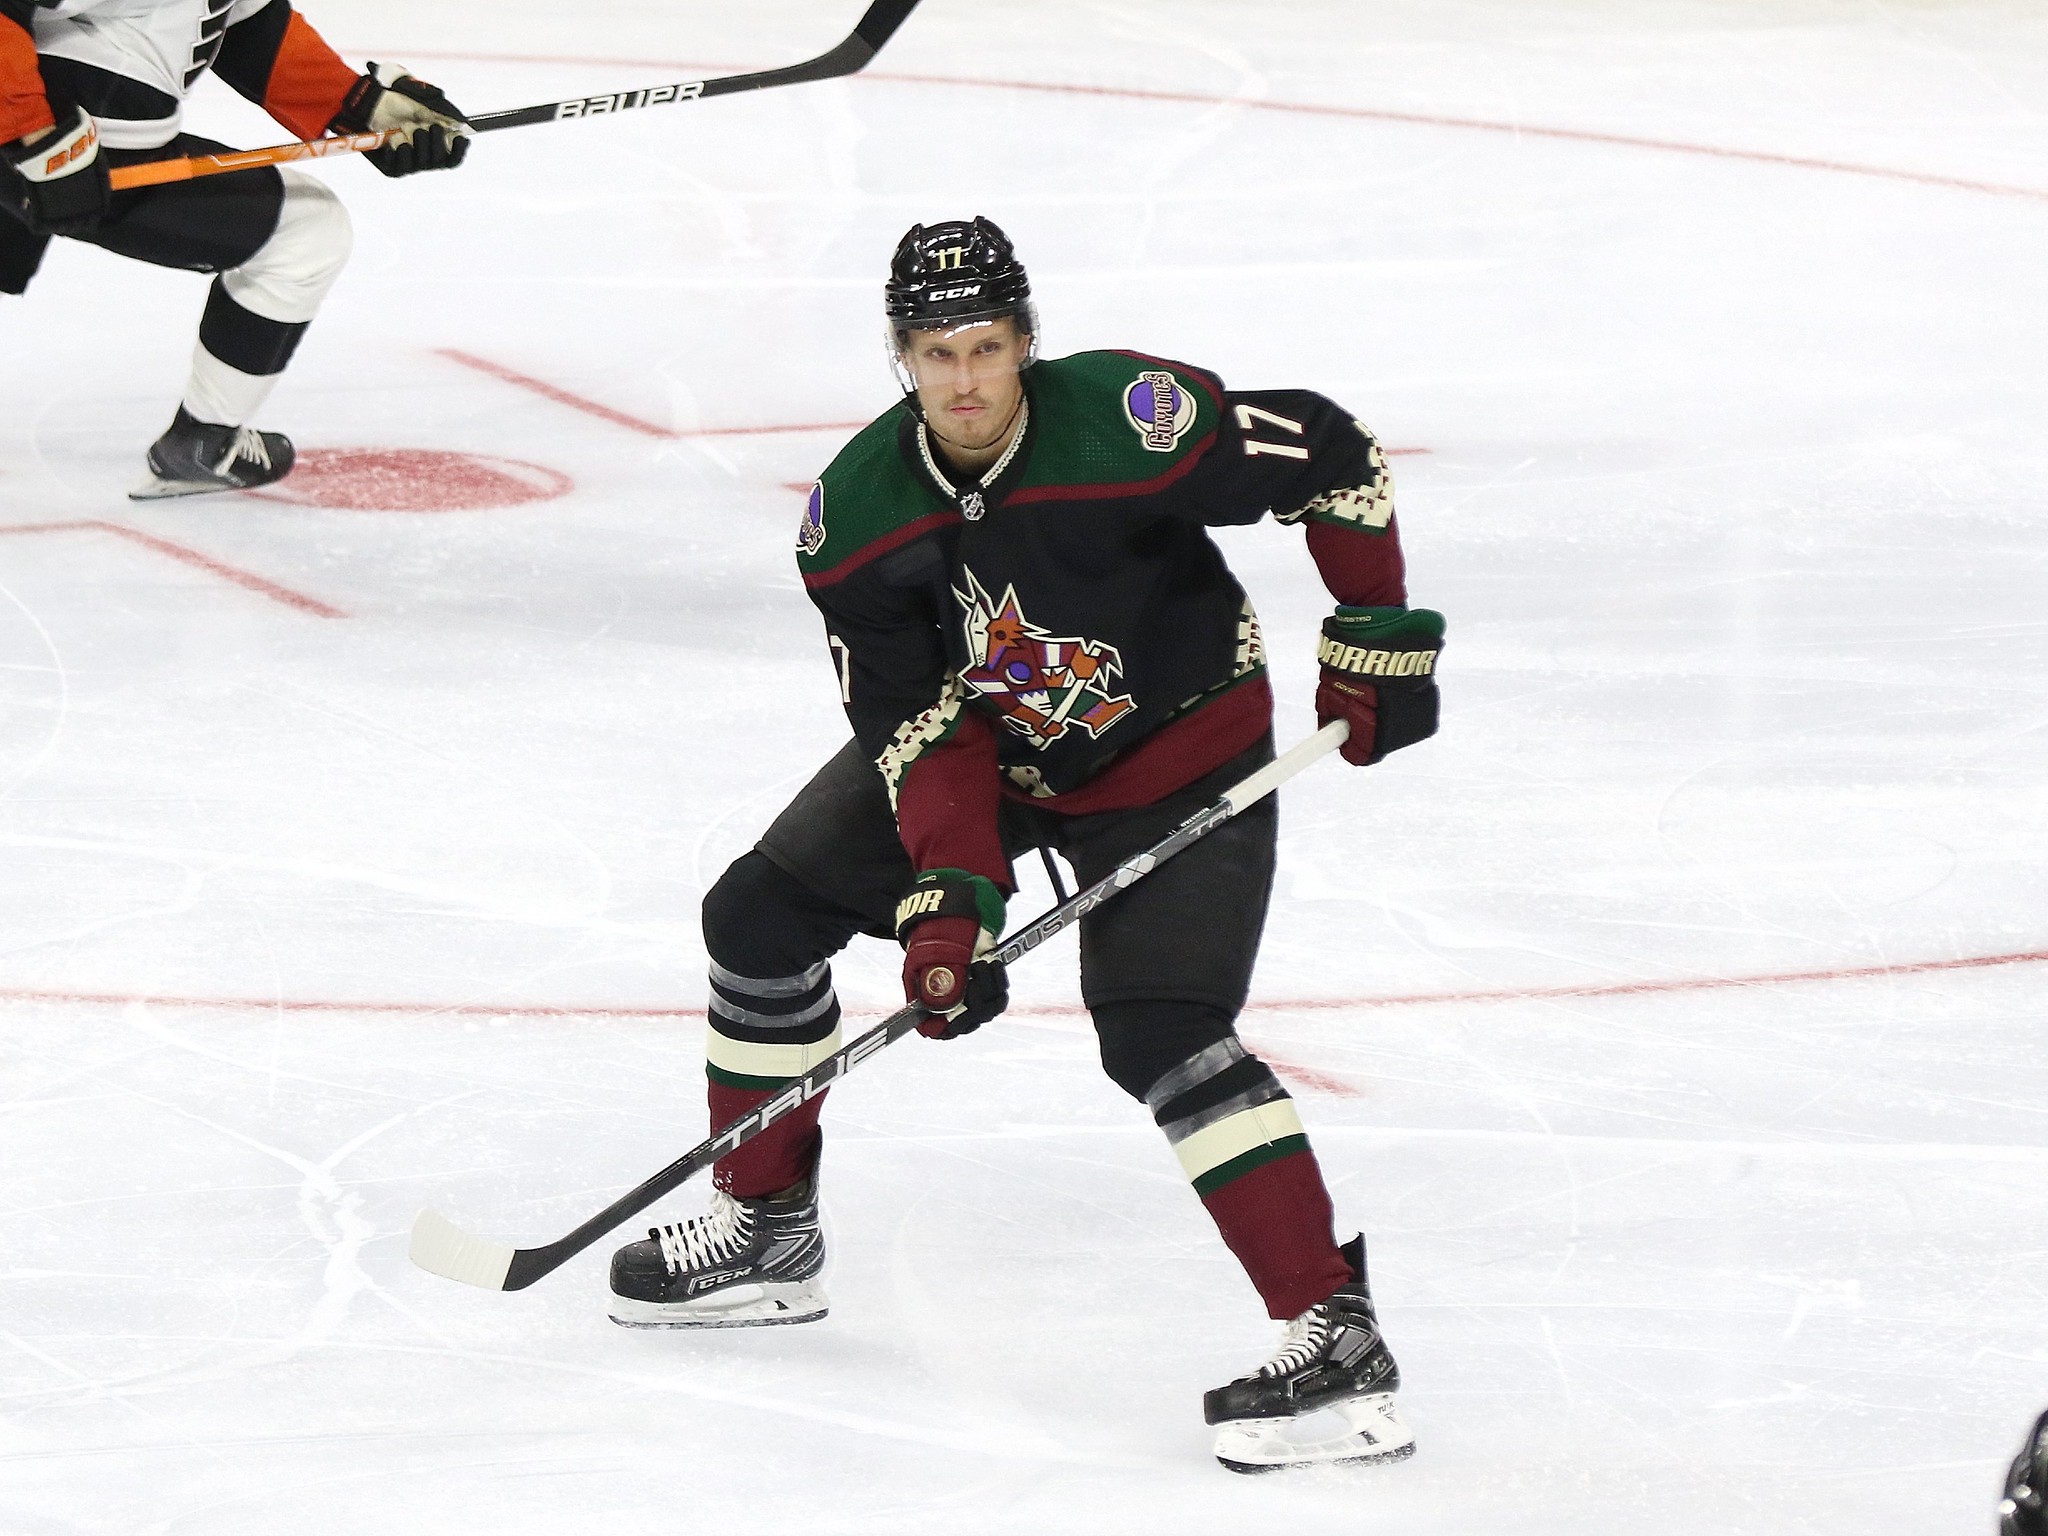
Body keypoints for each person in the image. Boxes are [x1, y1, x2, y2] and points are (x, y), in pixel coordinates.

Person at [608, 216, 1445, 1473]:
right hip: (995, 751)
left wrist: (1373, 623)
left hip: (1179, 752)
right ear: (900, 358)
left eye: (987, 347)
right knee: (757, 919)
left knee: (1160, 1028)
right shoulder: (855, 522)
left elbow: (1328, 453)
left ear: (1025, 343)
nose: (964, 381)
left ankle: (1333, 1334)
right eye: (937, 353)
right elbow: (918, 732)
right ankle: (767, 1228)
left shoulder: (1134, 419)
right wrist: (949, 904)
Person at [0, 0, 470, 497]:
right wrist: (33, 133)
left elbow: (248, 23)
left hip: (56, 141)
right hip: (53, 145)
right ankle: (204, 442)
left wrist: (356, 104)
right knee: (306, 231)